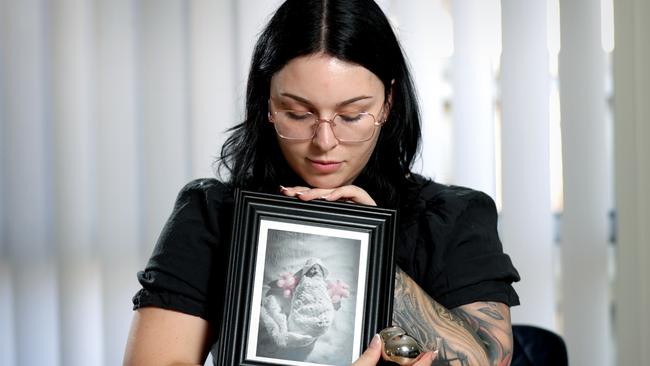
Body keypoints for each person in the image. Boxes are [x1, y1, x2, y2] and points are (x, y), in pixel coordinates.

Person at [123, 0, 520, 365]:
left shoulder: (454, 216)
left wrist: (369, 250)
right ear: (267, 103)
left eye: (351, 116)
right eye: (297, 113)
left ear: (388, 102)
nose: (324, 142)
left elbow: (490, 358)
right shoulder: (212, 213)